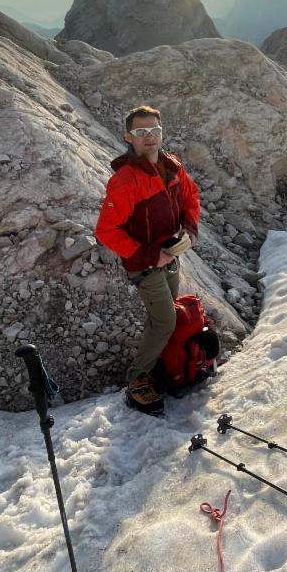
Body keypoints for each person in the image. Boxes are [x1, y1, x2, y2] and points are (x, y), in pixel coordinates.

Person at [95, 105, 200, 412]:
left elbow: (191, 197)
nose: (150, 137)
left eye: (155, 130)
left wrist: (190, 228)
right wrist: (153, 255)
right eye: (141, 132)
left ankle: (162, 365)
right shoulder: (126, 181)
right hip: (145, 264)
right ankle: (137, 379)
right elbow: (106, 231)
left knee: (162, 319)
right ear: (128, 137)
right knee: (165, 320)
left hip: (171, 255)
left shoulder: (171, 166)